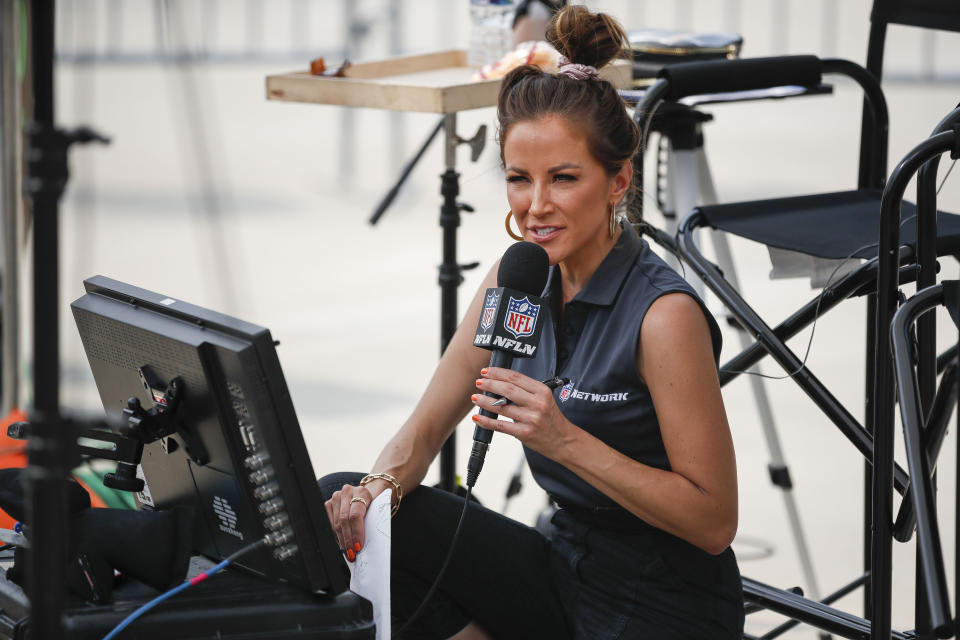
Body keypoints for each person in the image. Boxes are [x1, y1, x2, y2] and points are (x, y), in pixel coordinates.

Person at [320, 6, 743, 639]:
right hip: (563, 567)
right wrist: (374, 492)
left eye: (564, 179)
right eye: (520, 179)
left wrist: (564, 439)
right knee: (348, 504)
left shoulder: (664, 316)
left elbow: (714, 522)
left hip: (664, 603)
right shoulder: (515, 278)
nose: (536, 205)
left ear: (617, 181)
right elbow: (427, 425)